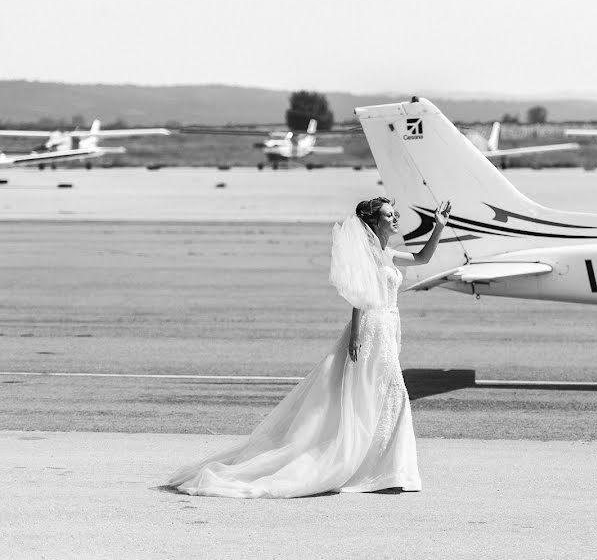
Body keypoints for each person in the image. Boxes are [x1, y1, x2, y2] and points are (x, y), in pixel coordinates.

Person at [166, 197, 451, 498]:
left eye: (395, 214)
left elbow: (423, 259)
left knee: (381, 394)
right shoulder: (366, 254)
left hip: (390, 327)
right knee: (389, 393)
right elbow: (359, 296)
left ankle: (384, 468)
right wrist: (356, 335)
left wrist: (439, 228)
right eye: (389, 215)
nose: (395, 219)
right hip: (371, 327)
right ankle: (386, 469)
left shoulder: (387, 253)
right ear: (374, 222)